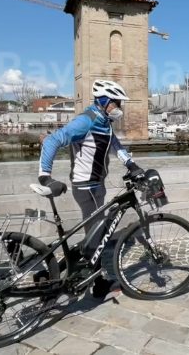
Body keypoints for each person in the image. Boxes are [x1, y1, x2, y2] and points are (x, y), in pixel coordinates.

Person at [37, 80, 143, 297]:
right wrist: (45, 177)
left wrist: (132, 165)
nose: (119, 107)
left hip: (97, 186)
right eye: (116, 103)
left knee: (95, 235)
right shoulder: (86, 121)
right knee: (97, 238)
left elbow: (115, 145)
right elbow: (52, 141)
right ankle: (94, 283)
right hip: (86, 187)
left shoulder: (104, 122)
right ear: (104, 101)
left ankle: (85, 278)